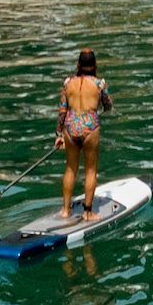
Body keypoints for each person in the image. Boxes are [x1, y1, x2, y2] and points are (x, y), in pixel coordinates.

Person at [57, 48, 112, 217]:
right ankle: (88, 213)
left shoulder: (67, 83)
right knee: (90, 170)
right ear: (94, 65)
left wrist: (59, 135)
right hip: (90, 127)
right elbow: (107, 105)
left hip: (70, 127)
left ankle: (65, 210)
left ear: (78, 64)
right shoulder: (99, 83)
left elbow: (62, 110)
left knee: (70, 169)